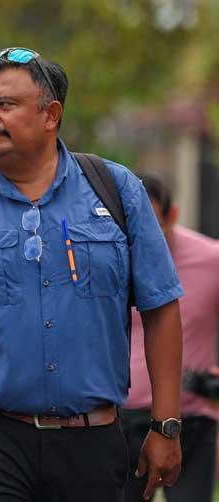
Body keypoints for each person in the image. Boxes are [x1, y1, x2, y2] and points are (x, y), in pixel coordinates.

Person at [0, 48, 184, 502]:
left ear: (51, 115)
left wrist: (166, 425)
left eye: (5, 104)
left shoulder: (116, 192)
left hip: (92, 442)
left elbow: (161, 309)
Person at [121, 172, 219, 501]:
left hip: (191, 418)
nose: (139, 230)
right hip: (122, 418)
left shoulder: (211, 260)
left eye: (149, 219)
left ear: (171, 215)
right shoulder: (110, 260)